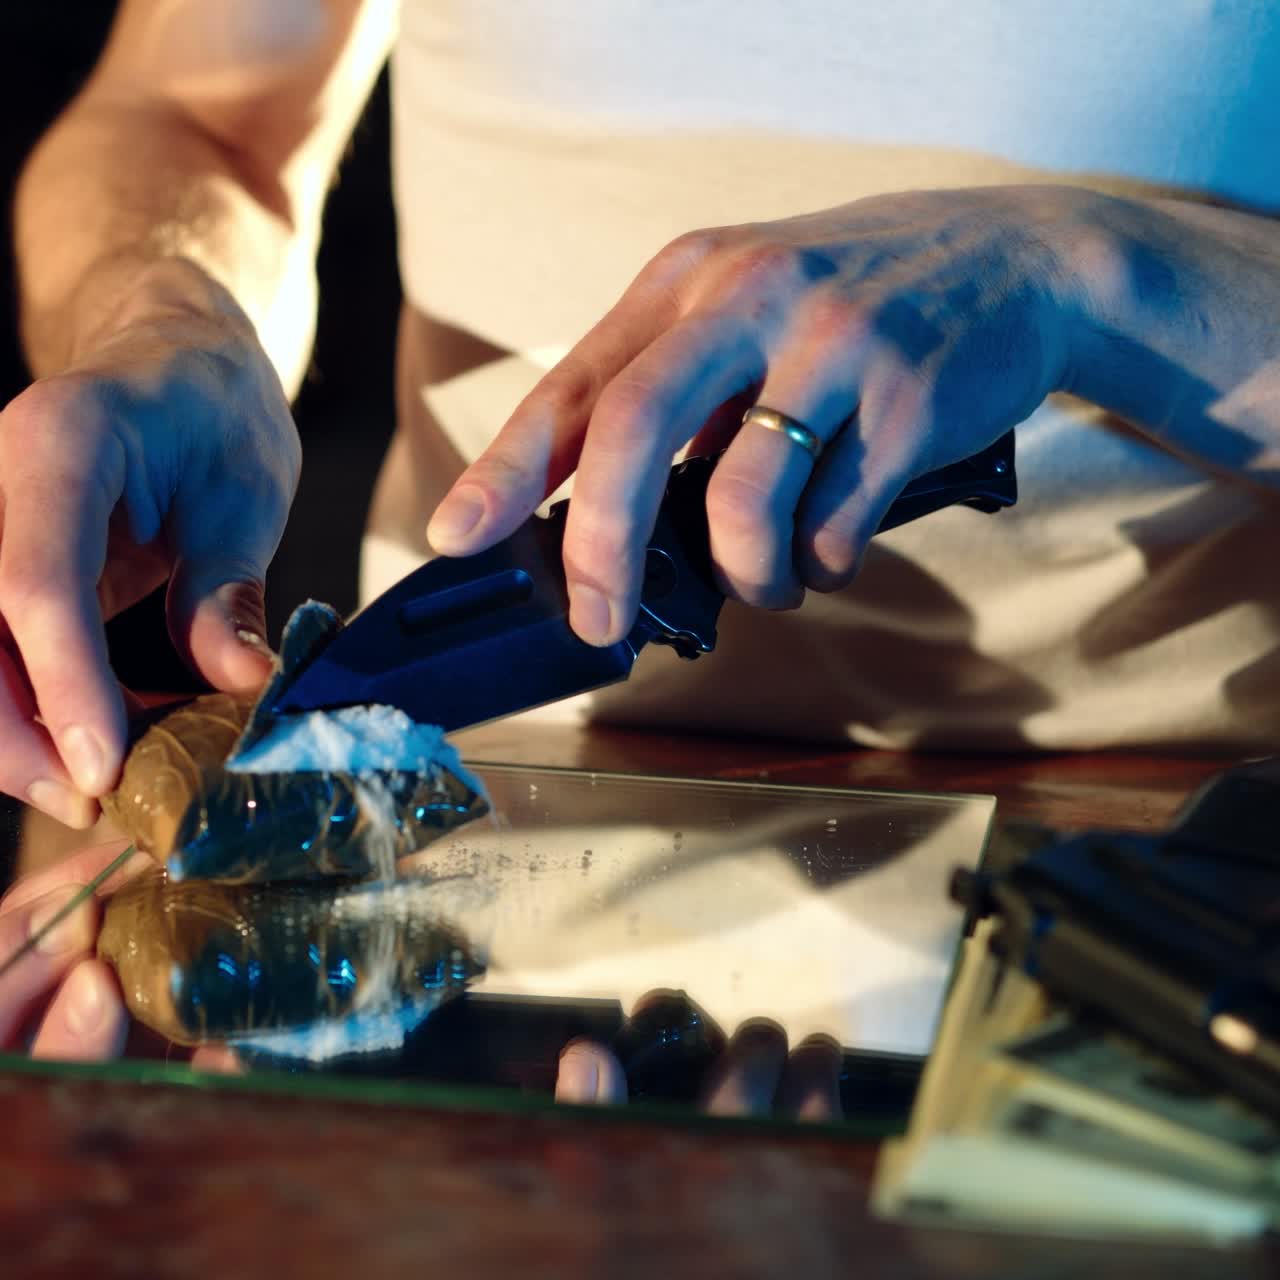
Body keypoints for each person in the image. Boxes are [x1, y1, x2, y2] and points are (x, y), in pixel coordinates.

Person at [3, 0, 1280, 1068]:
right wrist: (161, 312)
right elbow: (200, 112)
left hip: (1151, 880)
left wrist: (1075, 272)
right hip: (451, 864)